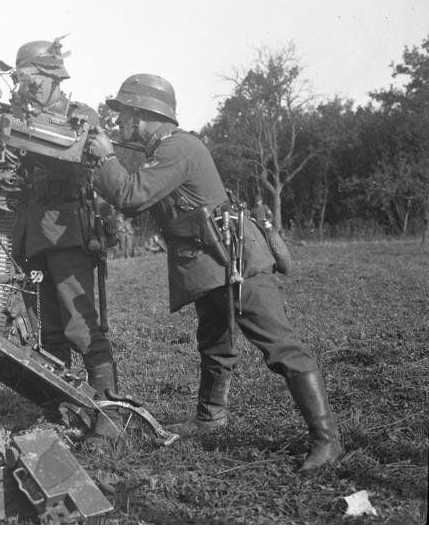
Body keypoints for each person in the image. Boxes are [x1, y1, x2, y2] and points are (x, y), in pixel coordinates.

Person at [87, 74, 342, 472]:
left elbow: (131, 196)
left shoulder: (178, 148)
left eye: (123, 115)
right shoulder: (167, 149)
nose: (118, 123)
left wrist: (104, 158)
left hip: (236, 264)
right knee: (215, 342)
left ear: (141, 116)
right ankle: (210, 418)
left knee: (282, 347)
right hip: (212, 263)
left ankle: (327, 440)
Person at [9, 39, 120, 442]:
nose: (27, 85)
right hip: (34, 234)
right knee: (48, 330)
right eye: (21, 79)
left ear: (55, 77)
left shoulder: (80, 116)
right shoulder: (16, 116)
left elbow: (89, 159)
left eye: (33, 77)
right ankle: (62, 412)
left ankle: (108, 416)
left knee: (81, 324)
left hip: (70, 228)